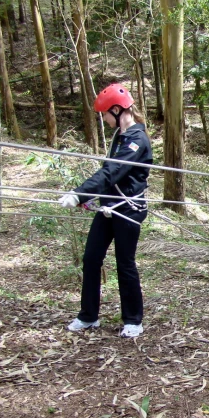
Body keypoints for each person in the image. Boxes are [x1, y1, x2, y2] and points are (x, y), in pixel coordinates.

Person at [58, 83, 152, 338]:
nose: (104, 118)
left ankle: (133, 320)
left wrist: (79, 192)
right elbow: (109, 177)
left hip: (128, 210)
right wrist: (88, 199)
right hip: (108, 207)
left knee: (125, 263)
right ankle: (88, 316)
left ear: (117, 109)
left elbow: (113, 172)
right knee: (91, 258)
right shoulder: (119, 137)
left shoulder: (137, 140)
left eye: (105, 114)